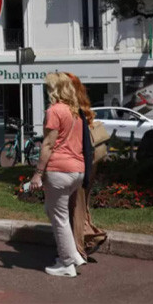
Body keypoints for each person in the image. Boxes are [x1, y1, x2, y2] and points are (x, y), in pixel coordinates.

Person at [30, 72, 86, 277]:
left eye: (48, 87)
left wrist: (37, 173)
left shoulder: (54, 111)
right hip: (77, 169)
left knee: (59, 216)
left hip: (59, 169)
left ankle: (66, 263)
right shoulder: (76, 112)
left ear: (54, 89)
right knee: (55, 211)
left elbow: (48, 144)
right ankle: (73, 255)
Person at [66, 73, 107, 262]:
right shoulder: (83, 105)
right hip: (92, 160)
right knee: (82, 205)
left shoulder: (72, 110)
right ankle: (88, 238)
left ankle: (79, 247)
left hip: (81, 161)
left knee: (76, 206)